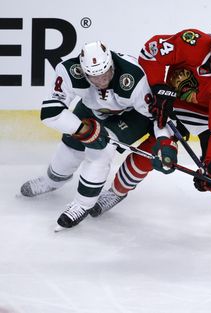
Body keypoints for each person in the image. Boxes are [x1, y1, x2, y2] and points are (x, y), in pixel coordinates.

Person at [91, 27, 211, 216]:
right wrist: (159, 87)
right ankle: (116, 192)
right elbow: (150, 53)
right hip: (176, 106)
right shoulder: (191, 42)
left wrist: (210, 164)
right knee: (150, 153)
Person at [20, 41, 177, 230]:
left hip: (131, 115)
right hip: (91, 109)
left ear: (111, 64)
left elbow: (157, 117)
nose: (101, 81)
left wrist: (165, 142)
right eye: (94, 77)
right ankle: (52, 181)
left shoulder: (133, 76)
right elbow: (50, 113)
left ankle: (82, 205)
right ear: (83, 72)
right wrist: (82, 130)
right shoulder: (69, 71)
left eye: (105, 74)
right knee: (70, 150)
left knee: (100, 150)